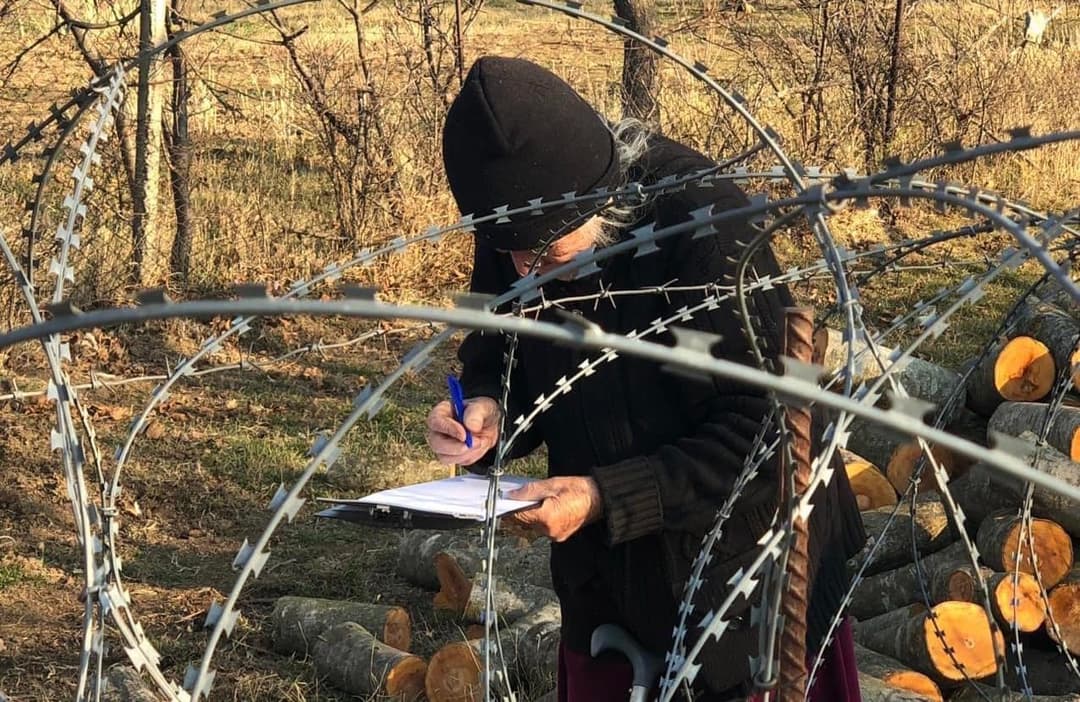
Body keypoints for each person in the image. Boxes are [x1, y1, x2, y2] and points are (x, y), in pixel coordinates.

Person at [425, 56, 865, 702]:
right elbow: (499, 345)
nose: (522, 271)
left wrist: (605, 496)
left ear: (598, 202)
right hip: (608, 588)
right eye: (506, 250)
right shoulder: (521, 220)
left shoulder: (705, 228)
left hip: (749, 587)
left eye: (543, 254)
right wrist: (489, 407)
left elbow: (770, 433)